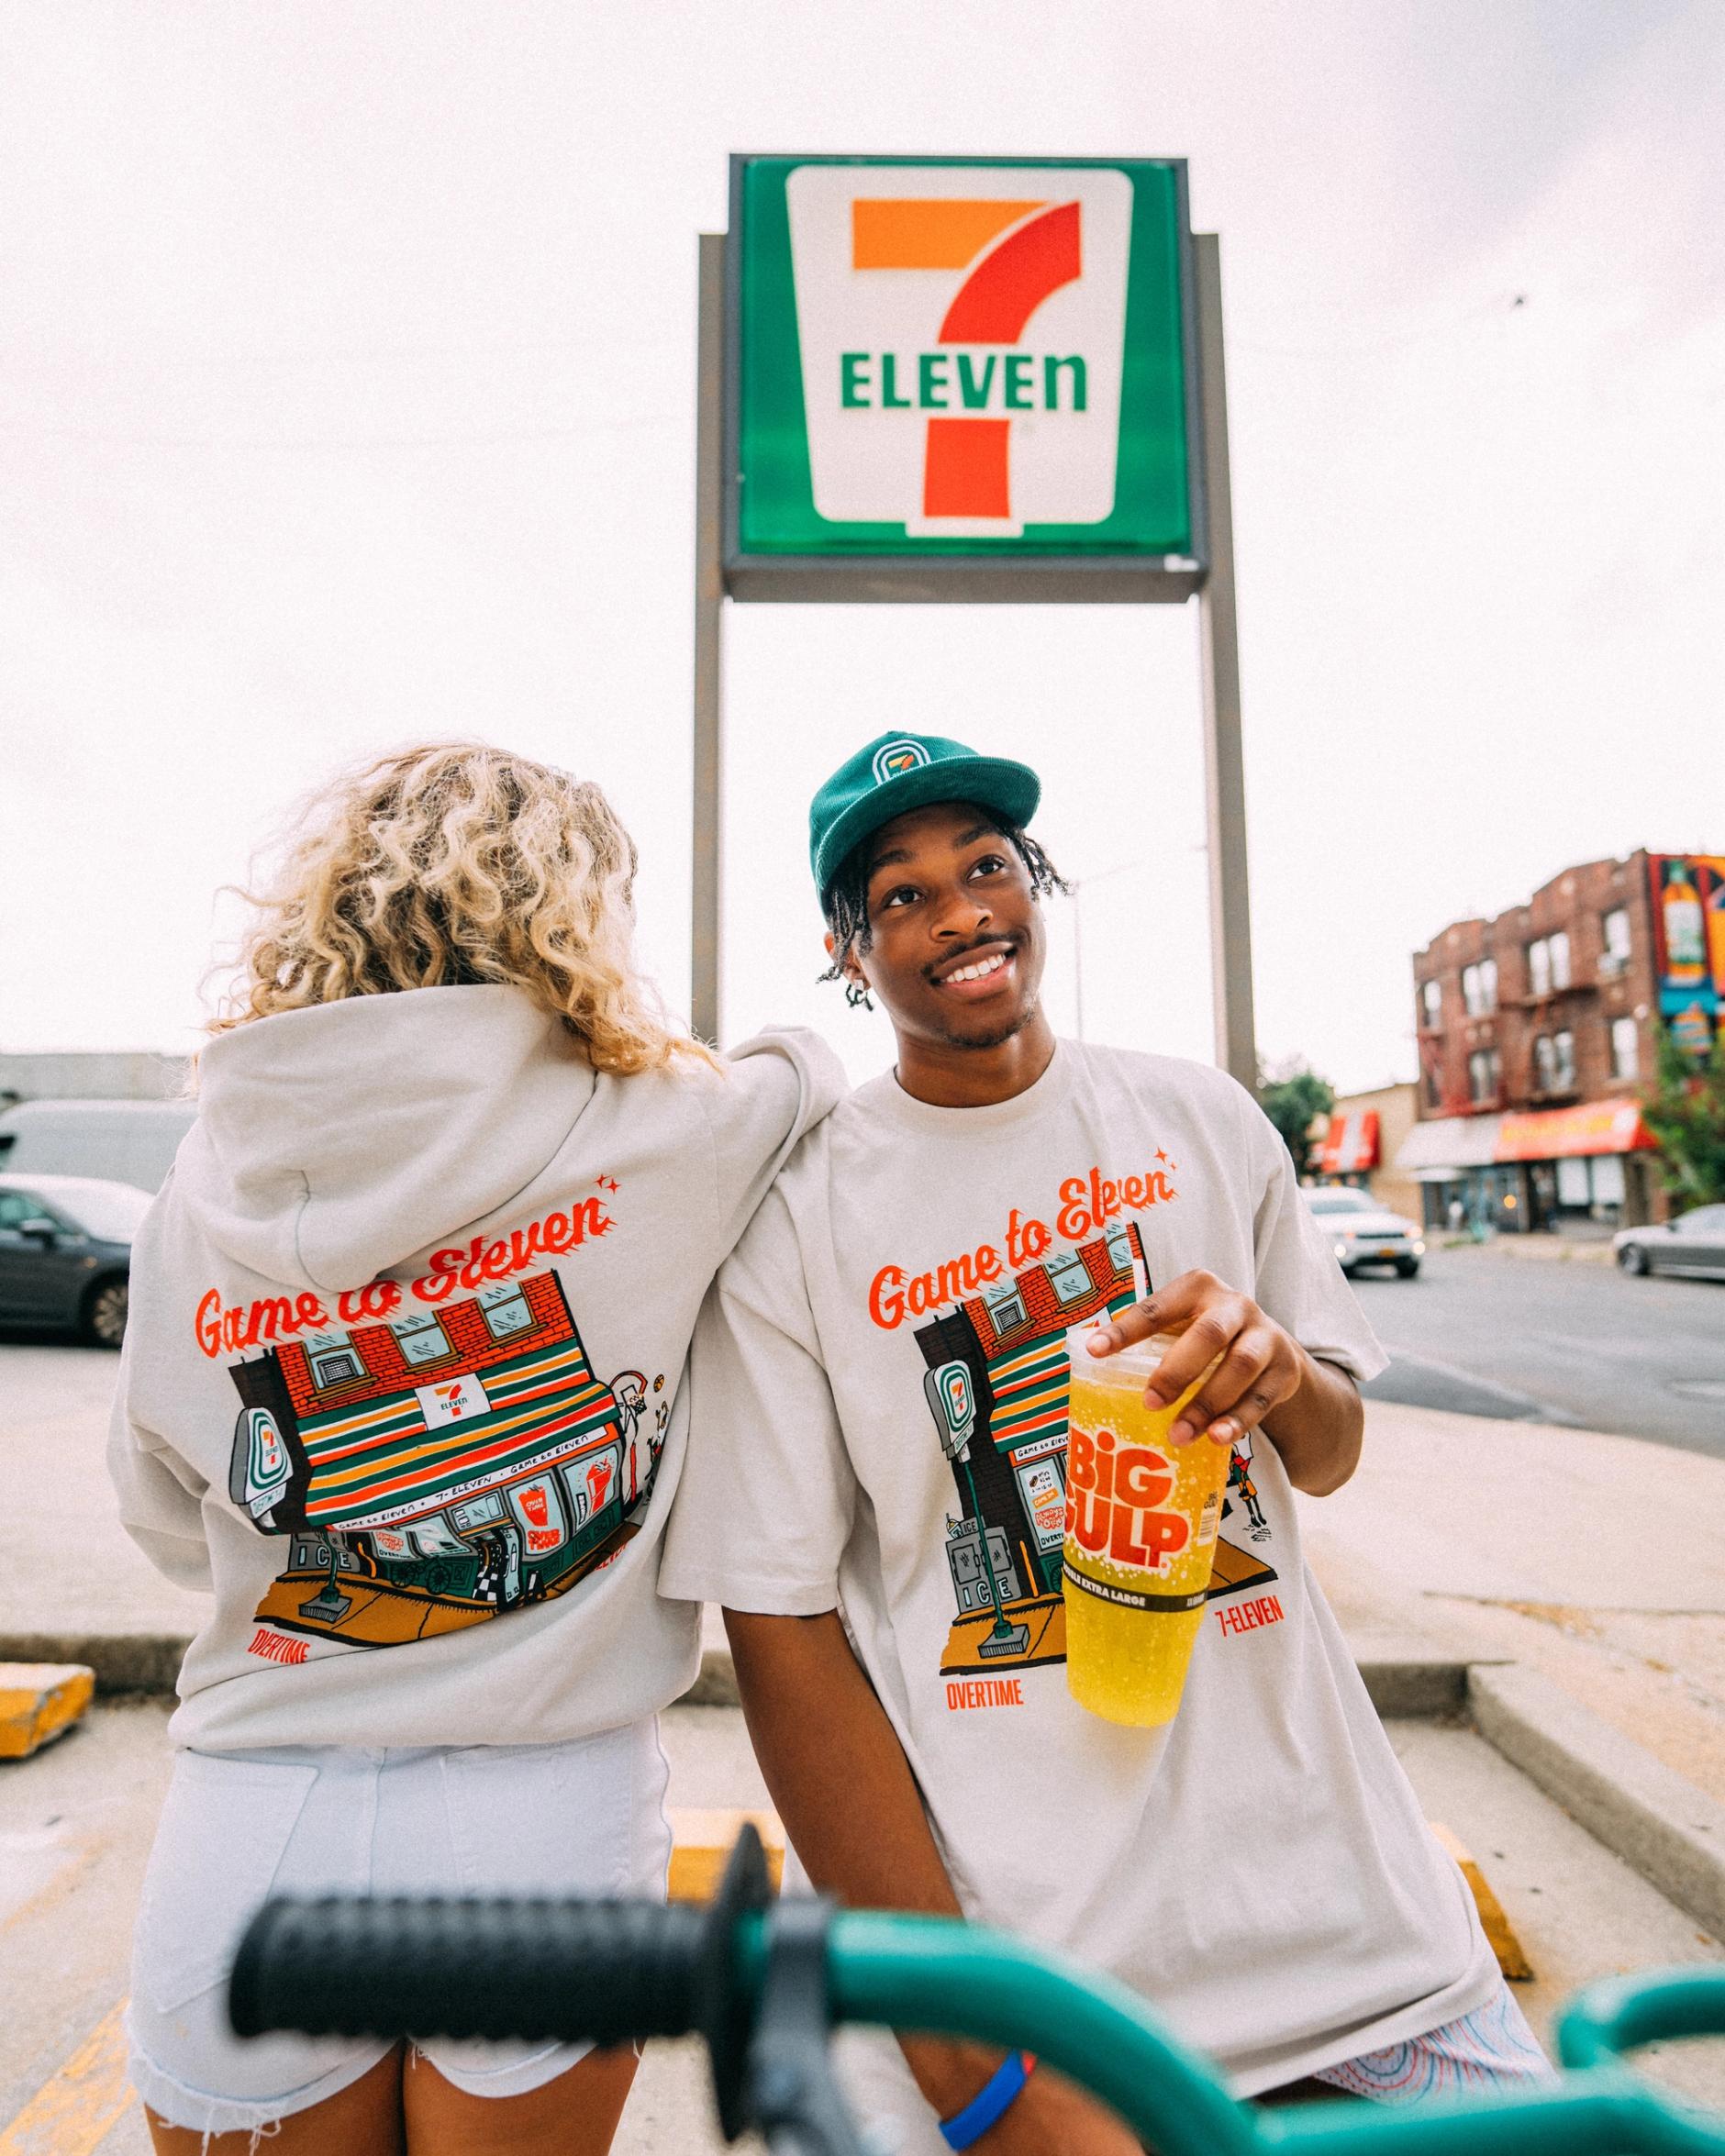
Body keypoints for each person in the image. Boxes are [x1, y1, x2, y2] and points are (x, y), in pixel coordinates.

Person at [662, 731, 1550, 2153]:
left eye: (987, 867)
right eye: (901, 895)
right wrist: (975, 2070)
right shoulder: (801, 1218)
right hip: (1047, 1987)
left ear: (1034, 888)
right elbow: (783, 1626)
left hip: (1366, 1951)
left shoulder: (1198, 1116)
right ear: (847, 949)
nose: (959, 912)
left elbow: (1326, 1453)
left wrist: (1278, 1376)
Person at [109, 742, 842, 2156]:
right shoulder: (667, 1133)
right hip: (542, 1817)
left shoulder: (199, 1188)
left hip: (254, 1821)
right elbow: (810, 1069)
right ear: (569, 919)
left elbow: (159, 1510)